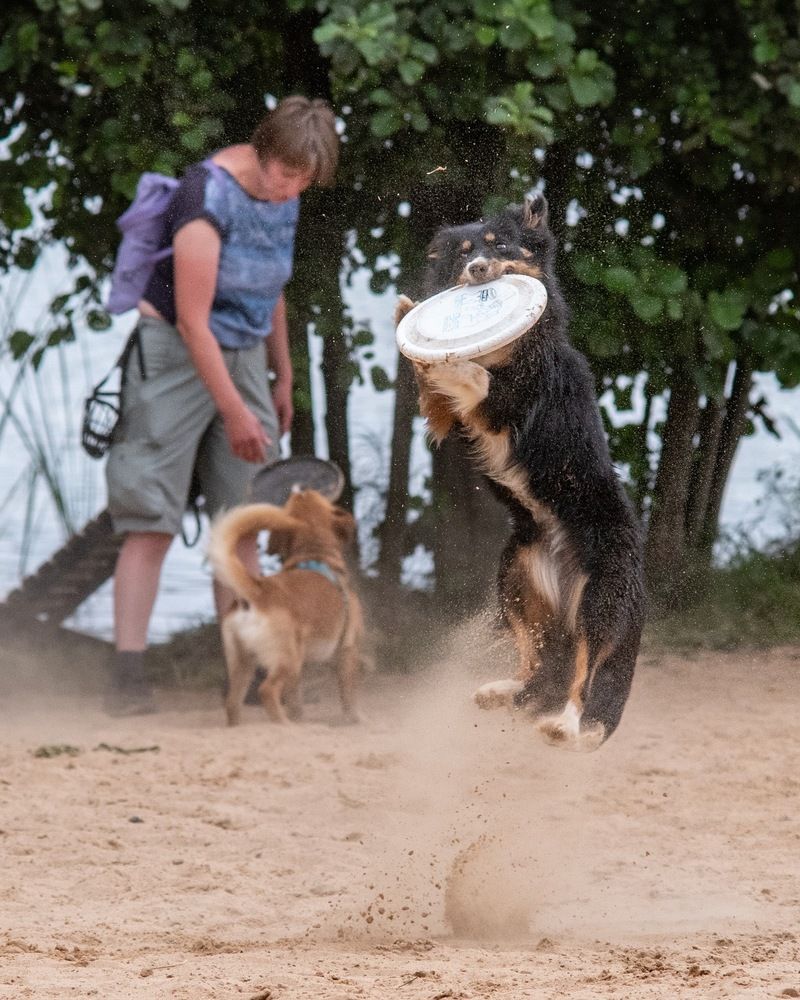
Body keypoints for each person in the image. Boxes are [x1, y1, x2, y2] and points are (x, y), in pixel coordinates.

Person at [103, 95, 339, 715]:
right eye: (286, 175)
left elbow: (271, 288)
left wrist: (282, 375)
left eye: (304, 181)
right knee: (150, 520)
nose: (291, 190)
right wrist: (235, 412)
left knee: (246, 521)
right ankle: (127, 676)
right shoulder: (204, 200)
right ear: (263, 152)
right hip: (176, 355)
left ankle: (244, 673)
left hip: (244, 353)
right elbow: (192, 321)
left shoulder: (284, 194)